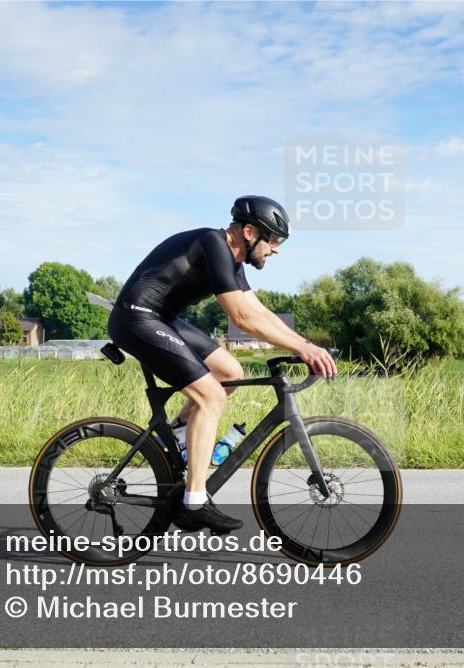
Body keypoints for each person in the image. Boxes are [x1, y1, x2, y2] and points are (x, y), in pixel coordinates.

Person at [108, 195, 337, 533]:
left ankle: (173, 442)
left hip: (163, 318)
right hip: (136, 319)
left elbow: (259, 311)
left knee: (230, 373)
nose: (276, 249)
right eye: (274, 240)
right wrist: (304, 350)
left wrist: (305, 344)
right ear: (249, 231)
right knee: (210, 396)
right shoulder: (213, 243)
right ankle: (194, 502)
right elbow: (241, 318)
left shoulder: (232, 261)